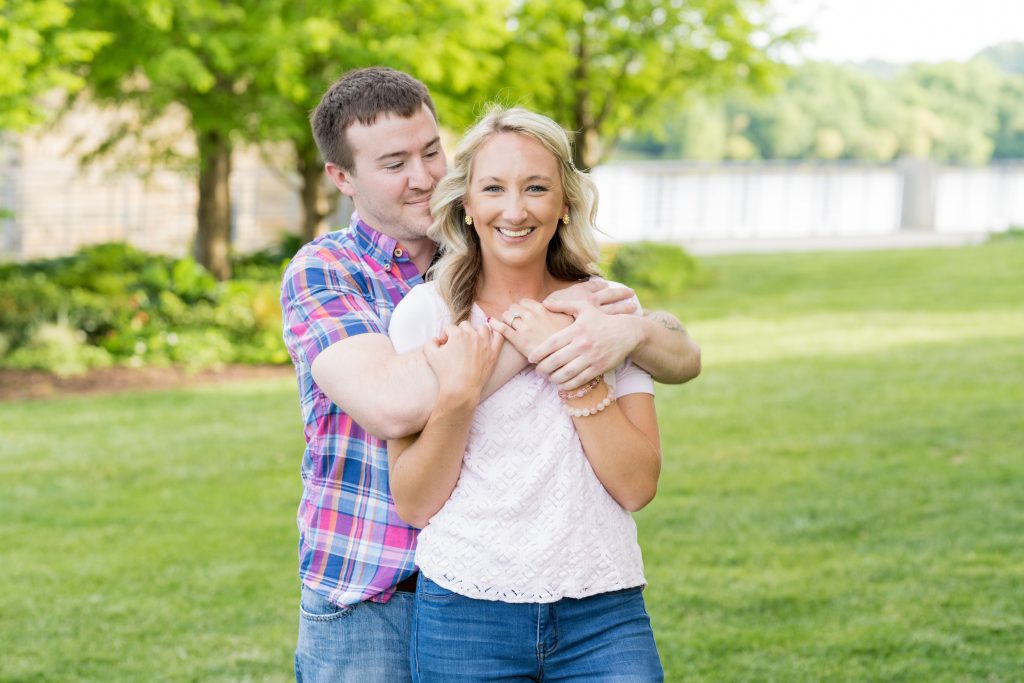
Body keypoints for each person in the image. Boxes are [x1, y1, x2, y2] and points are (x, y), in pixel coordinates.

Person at [281, 67, 699, 682]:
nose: (423, 177)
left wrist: (632, 330)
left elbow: (668, 346)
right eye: (395, 164)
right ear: (342, 178)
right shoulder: (328, 273)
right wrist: (551, 336)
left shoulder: (489, 252)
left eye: (431, 152)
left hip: (529, 583)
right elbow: (393, 405)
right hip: (373, 589)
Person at [387, 106, 667, 681]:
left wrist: (574, 365)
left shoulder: (607, 307)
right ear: (466, 202)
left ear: (564, 201)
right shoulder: (426, 314)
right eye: (493, 188)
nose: (514, 211)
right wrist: (459, 397)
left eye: (536, 188)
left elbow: (637, 485)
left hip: (603, 612)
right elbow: (415, 503)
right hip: (465, 615)